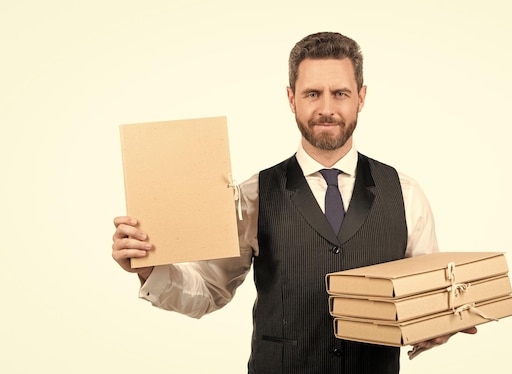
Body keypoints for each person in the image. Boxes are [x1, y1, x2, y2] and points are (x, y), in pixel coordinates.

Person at [112, 31, 476, 374]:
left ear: (362, 97)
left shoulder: (406, 193)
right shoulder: (253, 194)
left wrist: (441, 322)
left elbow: (427, 297)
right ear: (291, 98)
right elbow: (208, 290)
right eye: (313, 93)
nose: (327, 108)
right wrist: (148, 267)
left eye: (341, 93)